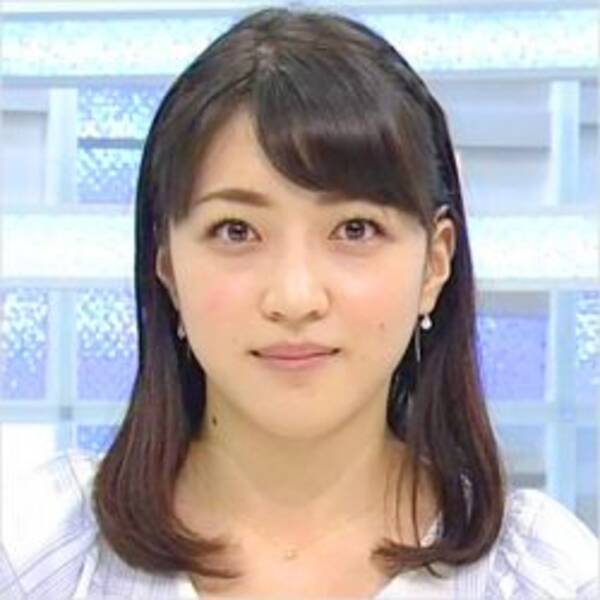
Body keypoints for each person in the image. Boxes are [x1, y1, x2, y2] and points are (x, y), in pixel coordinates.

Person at [1, 7, 597, 600]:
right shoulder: (40, 554)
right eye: (236, 231)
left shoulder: (542, 577)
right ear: (167, 264)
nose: (295, 298)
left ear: (435, 263)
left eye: (355, 229)